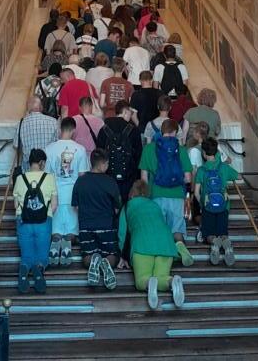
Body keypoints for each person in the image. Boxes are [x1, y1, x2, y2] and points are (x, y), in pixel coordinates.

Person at [118, 180, 185, 310]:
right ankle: (172, 281)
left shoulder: (128, 206)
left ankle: (149, 282)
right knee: (161, 276)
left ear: (132, 192)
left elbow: (122, 234)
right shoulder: (155, 205)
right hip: (166, 244)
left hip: (142, 244)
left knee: (141, 280)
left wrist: (122, 255)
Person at [139, 119, 194, 267]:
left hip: (156, 195)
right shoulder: (180, 149)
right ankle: (180, 247)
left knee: (159, 229)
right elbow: (188, 178)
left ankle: (162, 261)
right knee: (177, 230)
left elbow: (144, 178)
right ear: (175, 132)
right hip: (177, 196)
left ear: (161, 131)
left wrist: (145, 197)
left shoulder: (148, 149)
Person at [72, 148, 121, 290]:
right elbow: (117, 208)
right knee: (112, 254)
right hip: (106, 225)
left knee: (87, 255)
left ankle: (94, 261)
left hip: (86, 226)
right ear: (103, 164)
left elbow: (76, 206)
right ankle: (106, 263)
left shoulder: (80, 181)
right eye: (107, 163)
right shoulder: (110, 182)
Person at [45, 118, 89, 267]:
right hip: (73, 195)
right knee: (72, 231)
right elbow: (82, 176)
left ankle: (56, 242)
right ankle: (67, 244)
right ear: (73, 130)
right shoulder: (80, 149)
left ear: (60, 129)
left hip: (55, 195)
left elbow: (47, 175)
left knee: (56, 230)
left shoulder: (49, 149)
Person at [13, 148, 58, 294]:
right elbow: (54, 204)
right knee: (42, 256)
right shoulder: (49, 178)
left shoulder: (20, 178)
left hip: (23, 221)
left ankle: (24, 268)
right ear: (42, 162)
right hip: (43, 221)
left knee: (26, 255)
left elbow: (15, 204)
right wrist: (46, 213)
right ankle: (38, 269)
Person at [194, 137, 240, 266]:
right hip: (223, 207)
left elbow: (196, 192)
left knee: (208, 233)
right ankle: (227, 245)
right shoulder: (224, 167)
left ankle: (214, 242)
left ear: (204, 153)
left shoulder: (201, 170)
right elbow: (238, 176)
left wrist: (202, 204)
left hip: (208, 207)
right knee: (223, 232)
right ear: (216, 152)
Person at [97, 100, 142, 203]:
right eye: (130, 112)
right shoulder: (134, 130)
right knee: (126, 205)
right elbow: (138, 155)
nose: (131, 115)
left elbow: (99, 153)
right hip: (128, 178)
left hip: (107, 177)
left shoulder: (104, 129)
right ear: (125, 111)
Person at [13, 97, 59, 171]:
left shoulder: (22, 123)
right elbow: (58, 144)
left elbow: (16, 146)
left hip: (29, 170)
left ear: (28, 108)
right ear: (41, 107)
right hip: (49, 168)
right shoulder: (53, 121)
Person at [186, 121, 209, 226]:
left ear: (198, 134)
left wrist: (192, 188)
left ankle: (203, 228)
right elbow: (227, 160)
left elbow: (193, 171)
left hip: (199, 184)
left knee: (198, 211)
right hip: (210, 183)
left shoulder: (194, 151)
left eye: (194, 131)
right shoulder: (214, 147)